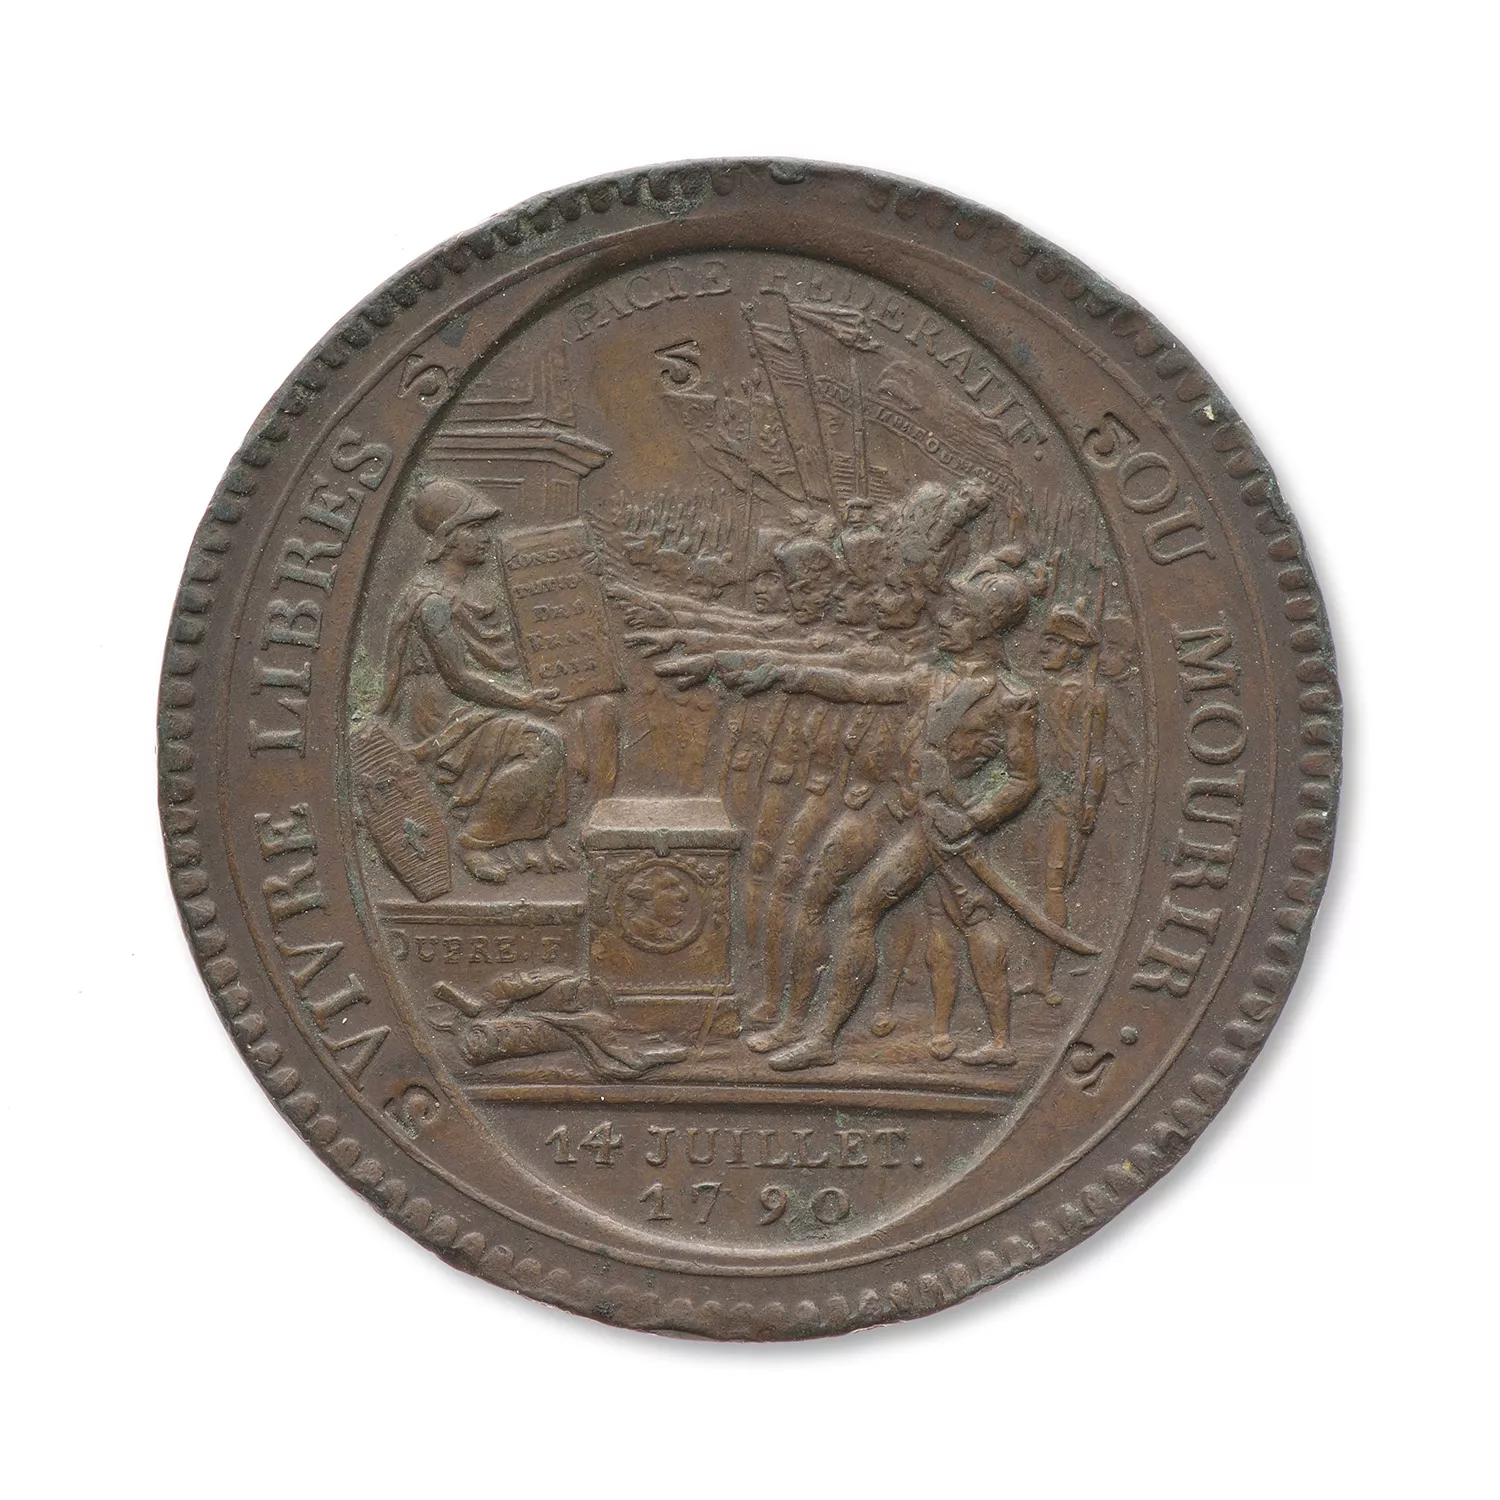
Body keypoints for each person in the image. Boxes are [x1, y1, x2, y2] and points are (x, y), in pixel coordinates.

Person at [377, 478, 568, 882]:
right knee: (542, 744)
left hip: (460, 706)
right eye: (475, 528)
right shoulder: (432, 603)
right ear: (447, 538)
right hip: (442, 715)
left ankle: (528, 842)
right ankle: (475, 841)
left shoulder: (455, 595)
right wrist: (526, 701)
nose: (485, 537)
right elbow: (460, 679)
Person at [1033, 602, 1108, 1004]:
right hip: (1027, 796)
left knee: (1053, 886)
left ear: (1075, 651)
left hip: (1063, 800)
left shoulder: (1092, 698)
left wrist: (1090, 802)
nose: (1044, 649)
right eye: (1045, 641)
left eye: (1055, 643)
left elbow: (1096, 757)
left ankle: (1045, 976)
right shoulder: (1034, 689)